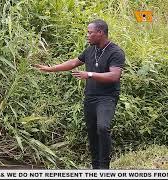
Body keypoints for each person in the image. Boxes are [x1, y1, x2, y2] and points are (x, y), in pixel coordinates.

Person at [34, 19, 125, 169]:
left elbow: (114, 76)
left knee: (102, 127)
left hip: (107, 97)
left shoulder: (115, 52)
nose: (87, 35)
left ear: (100, 33)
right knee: (91, 131)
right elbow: (73, 63)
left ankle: (104, 167)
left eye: (90, 32)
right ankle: (96, 168)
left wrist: (89, 74)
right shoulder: (90, 50)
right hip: (90, 97)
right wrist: (51, 69)